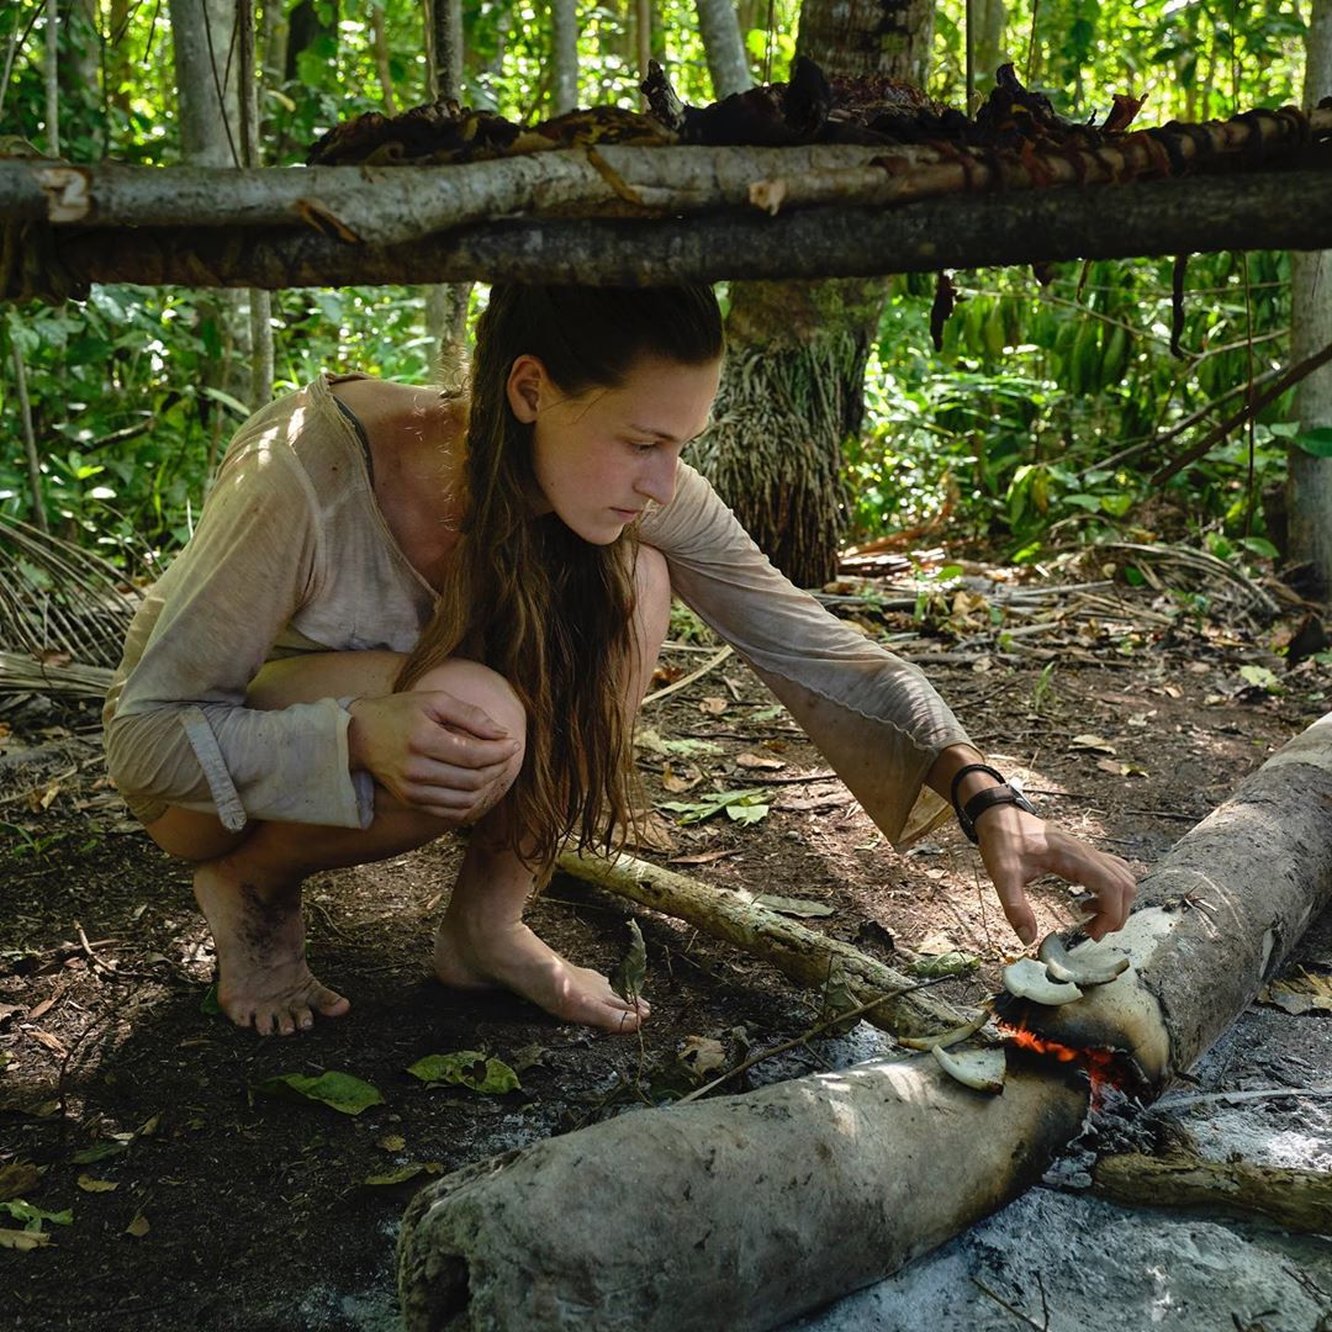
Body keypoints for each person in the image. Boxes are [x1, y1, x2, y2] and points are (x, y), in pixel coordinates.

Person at [103, 283, 1136, 1039]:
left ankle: (483, 929)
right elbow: (142, 744)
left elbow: (816, 647)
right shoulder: (312, 476)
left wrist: (985, 796)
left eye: (682, 443)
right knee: (475, 710)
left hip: (386, 727)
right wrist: (354, 735)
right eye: (644, 440)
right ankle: (258, 888)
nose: (663, 479)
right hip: (217, 785)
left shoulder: (642, 489)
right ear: (528, 388)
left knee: (636, 582)